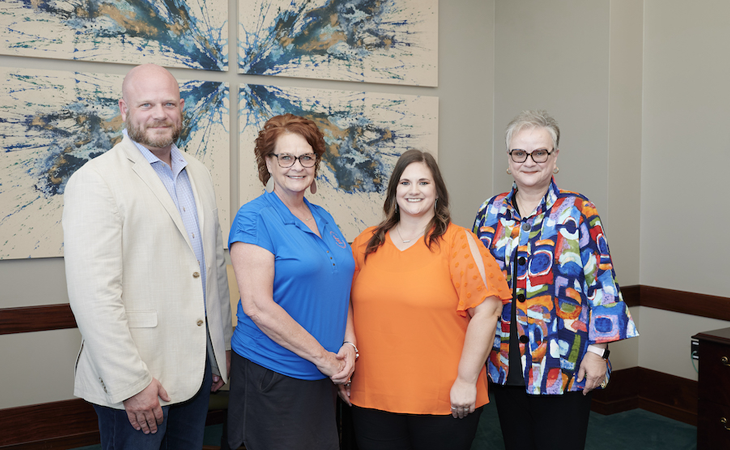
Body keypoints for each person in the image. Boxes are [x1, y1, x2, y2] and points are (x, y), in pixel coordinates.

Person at [63, 64, 232, 449]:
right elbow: (94, 296)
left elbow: (212, 270)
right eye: (146, 104)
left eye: (168, 103)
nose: (159, 113)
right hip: (138, 381)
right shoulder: (96, 180)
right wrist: (131, 383)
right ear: (124, 108)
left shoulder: (199, 175)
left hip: (197, 372)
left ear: (181, 107)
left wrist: (217, 354)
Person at [472, 110, 639, 450]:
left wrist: (598, 352)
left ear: (555, 157)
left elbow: (603, 283)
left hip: (563, 363)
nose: (529, 161)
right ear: (509, 159)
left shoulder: (579, 211)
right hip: (505, 363)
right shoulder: (489, 213)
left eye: (540, 152)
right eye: (519, 153)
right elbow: (476, 285)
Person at [346, 150, 511, 450]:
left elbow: (488, 312)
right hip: (372, 397)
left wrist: (466, 380)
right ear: (394, 191)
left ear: (437, 192)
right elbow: (345, 305)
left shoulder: (460, 242)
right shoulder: (365, 243)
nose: (414, 190)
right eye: (405, 182)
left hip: (444, 399)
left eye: (424, 182)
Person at [227, 113, 356, 450]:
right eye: (285, 156)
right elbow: (258, 307)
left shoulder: (324, 217)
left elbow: (341, 290)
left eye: (306, 156)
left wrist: (349, 347)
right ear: (268, 162)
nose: (296, 166)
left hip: (322, 372)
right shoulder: (255, 218)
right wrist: (325, 359)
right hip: (273, 374)